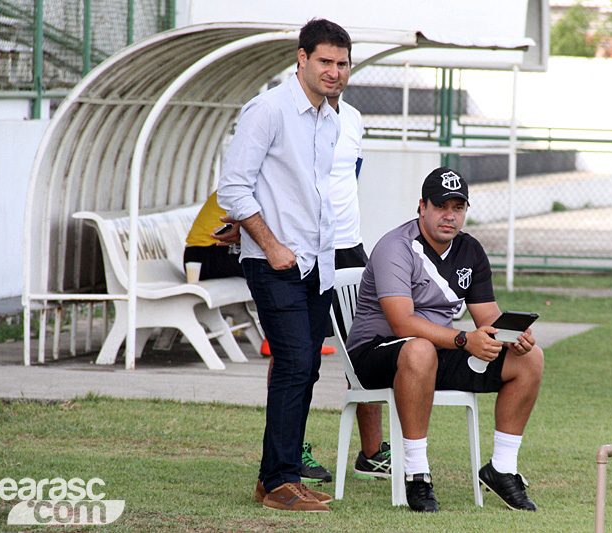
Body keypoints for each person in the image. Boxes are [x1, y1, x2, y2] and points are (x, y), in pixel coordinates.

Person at [345, 167, 545, 513]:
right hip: (373, 354)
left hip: (437, 352)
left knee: (530, 358)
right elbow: (402, 322)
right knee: (419, 348)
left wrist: (514, 338)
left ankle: (502, 468)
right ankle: (417, 474)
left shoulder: (470, 250)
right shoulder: (396, 246)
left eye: (458, 207)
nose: (449, 216)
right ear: (421, 206)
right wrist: (467, 340)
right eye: (440, 206)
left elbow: (488, 320)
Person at [216, 19, 351, 513]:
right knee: (294, 363)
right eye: (325, 61)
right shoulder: (268, 109)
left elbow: (308, 192)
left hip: (318, 263)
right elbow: (233, 186)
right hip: (275, 261)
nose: (334, 71)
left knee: (307, 368)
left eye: (341, 63)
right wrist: (270, 244)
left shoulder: (330, 117)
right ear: (301, 58)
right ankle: (279, 483)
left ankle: (279, 476)